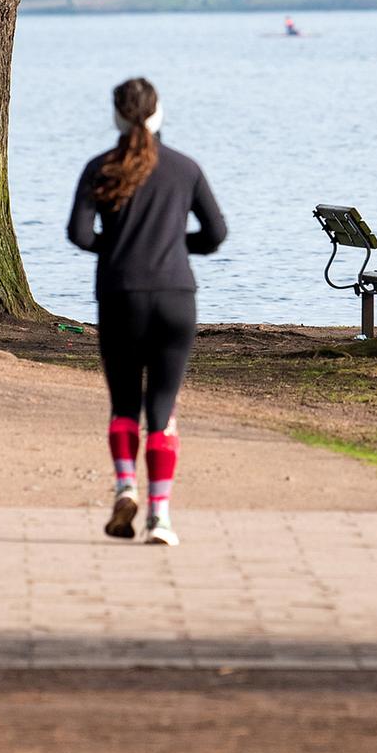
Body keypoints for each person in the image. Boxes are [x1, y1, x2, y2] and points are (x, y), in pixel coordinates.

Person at [67, 77, 227, 546]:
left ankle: (124, 487)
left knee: (123, 405)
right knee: (162, 408)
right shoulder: (185, 168)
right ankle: (160, 517)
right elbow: (216, 234)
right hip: (176, 296)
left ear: (117, 116)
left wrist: (117, 250)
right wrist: (176, 247)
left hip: (120, 296)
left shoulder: (100, 167)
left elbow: (78, 235)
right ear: (159, 115)